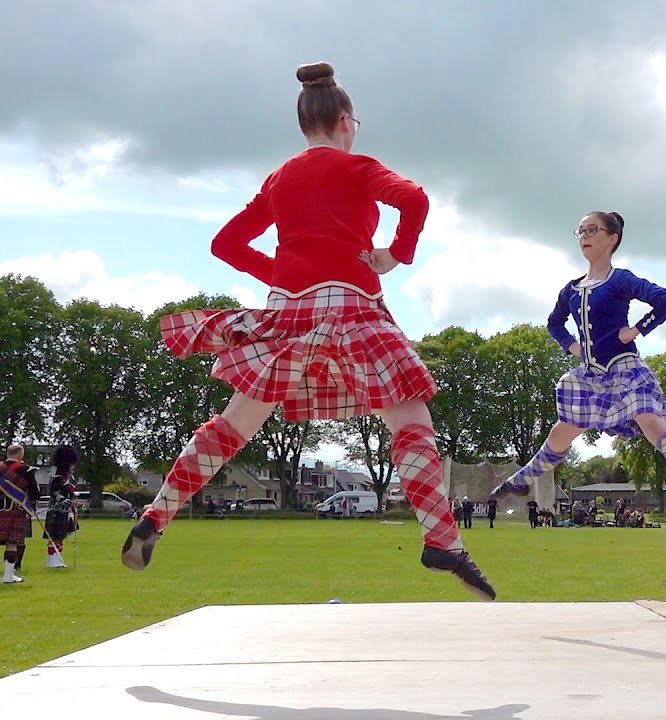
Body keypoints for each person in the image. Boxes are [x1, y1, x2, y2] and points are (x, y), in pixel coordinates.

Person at [118, 62, 494, 600]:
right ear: (345, 120)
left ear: (303, 126)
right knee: (410, 416)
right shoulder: (358, 166)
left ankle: (156, 517)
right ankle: (441, 539)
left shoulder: (280, 177)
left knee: (234, 425)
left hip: (286, 311)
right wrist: (396, 254)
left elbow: (224, 244)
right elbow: (414, 199)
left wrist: (277, 273)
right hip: (353, 306)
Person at [488, 211, 666, 527]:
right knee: (562, 431)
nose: (584, 236)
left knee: (652, 423)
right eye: (580, 230)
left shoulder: (620, 280)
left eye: (592, 230)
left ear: (612, 238)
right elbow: (554, 323)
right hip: (590, 376)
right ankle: (524, 477)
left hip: (624, 369)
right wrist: (572, 346)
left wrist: (635, 330)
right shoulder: (571, 289)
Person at [2, 444, 37, 584]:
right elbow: (35, 494)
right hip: (14, 510)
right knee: (12, 543)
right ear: (20, 455)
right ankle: (8, 576)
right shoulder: (26, 470)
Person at [44, 445, 79, 568]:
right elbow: (55, 495)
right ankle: (51, 560)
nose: (73, 467)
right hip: (55, 511)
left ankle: (57, 558)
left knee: (61, 536)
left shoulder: (70, 479)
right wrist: (70, 502)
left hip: (65, 512)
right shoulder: (56, 479)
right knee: (54, 536)